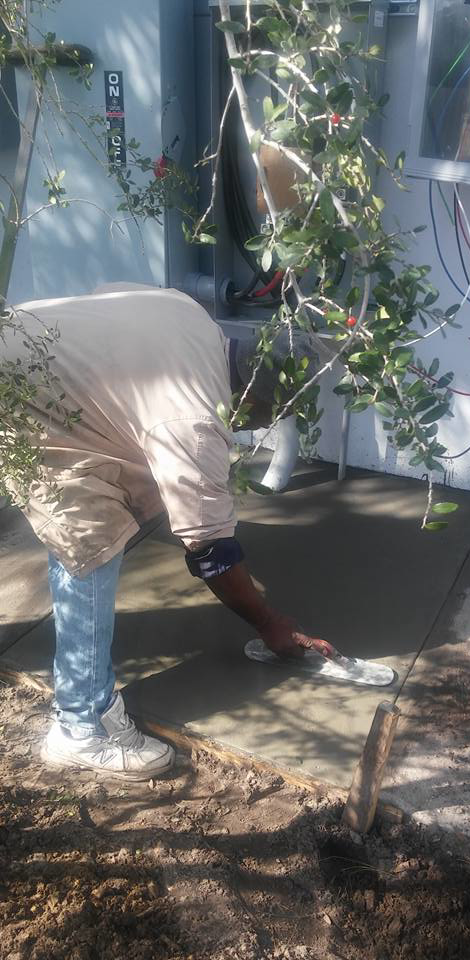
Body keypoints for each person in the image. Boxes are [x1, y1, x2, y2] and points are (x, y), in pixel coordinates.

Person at [7, 283, 331, 780]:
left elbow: (106, 300)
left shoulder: (188, 311)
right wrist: (268, 621)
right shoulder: (193, 420)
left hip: (21, 348)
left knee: (126, 483)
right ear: (252, 401)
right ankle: (79, 726)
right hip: (17, 393)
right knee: (90, 541)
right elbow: (211, 552)